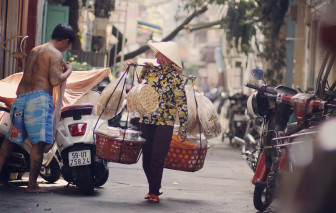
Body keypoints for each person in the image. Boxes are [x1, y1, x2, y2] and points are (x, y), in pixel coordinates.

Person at [0, 23, 75, 193]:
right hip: (39, 101)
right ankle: (32, 185)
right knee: (38, 144)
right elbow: (56, 80)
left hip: (21, 99)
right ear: (65, 40)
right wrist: (69, 70)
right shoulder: (56, 54)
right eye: (67, 45)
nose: (66, 49)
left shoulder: (35, 50)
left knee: (10, 141)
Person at [139, 41, 188, 203]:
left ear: (166, 57)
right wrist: (143, 71)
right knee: (146, 158)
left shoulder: (177, 78)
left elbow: (181, 102)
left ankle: (154, 191)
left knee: (157, 157)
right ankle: (152, 187)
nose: (155, 56)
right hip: (147, 118)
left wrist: (183, 126)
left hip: (165, 121)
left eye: (159, 53)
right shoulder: (152, 72)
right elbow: (140, 85)